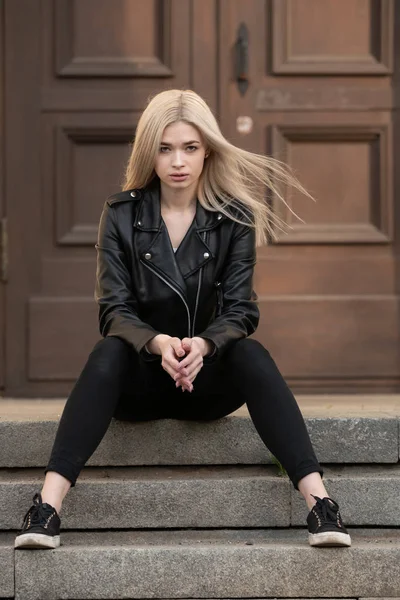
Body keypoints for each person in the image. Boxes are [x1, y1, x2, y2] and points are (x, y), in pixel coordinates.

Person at [15, 89, 351, 550]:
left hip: (205, 382)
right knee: (108, 351)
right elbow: (113, 310)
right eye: (165, 147)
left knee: (250, 353)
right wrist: (158, 344)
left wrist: (204, 346)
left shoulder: (235, 218)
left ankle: (321, 504)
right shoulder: (121, 214)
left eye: (190, 148)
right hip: (140, 382)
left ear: (207, 150)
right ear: (148, 151)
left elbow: (241, 310)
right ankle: (47, 508)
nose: (178, 161)